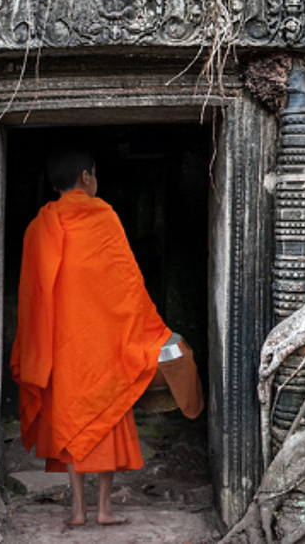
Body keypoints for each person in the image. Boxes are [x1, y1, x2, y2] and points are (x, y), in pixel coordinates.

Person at [11, 149, 197, 528]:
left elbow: (32, 297)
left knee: (70, 421)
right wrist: (151, 330)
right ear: (86, 177)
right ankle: (104, 509)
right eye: (95, 176)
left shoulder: (37, 227)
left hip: (60, 350)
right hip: (103, 347)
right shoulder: (103, 216)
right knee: (108, 419)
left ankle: (77, 510)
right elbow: (126, 286)